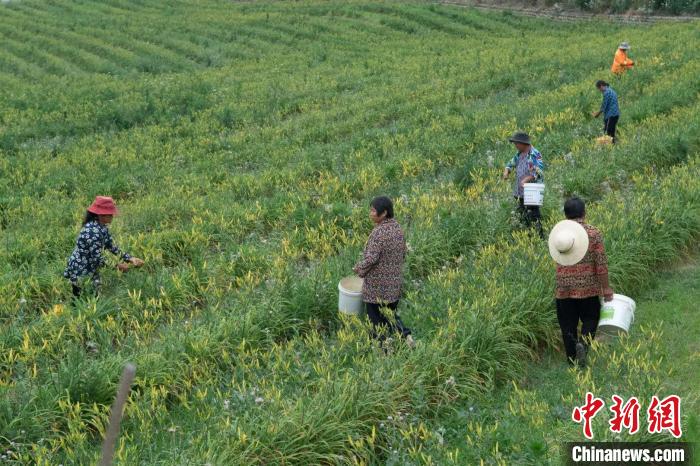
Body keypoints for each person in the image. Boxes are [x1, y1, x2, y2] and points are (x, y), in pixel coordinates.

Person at [548, 197, 614, 367]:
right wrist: (606, 288)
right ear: (584, 212)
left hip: (564, 289)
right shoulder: (593, 233)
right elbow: (601, 264)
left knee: (567, 324)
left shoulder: (558, 234)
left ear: (565, 214)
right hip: (589, 289)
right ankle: (583, 345)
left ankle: (572, 361)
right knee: (591, 318)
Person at [353, 196, 414, 349]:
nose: (370, 213)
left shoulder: (379, 233)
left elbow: (372, 258)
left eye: (374, 211)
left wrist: (359, 269)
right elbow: (403, 253)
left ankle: (383, 350)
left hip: (377, 288)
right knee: (390, 316)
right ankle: (406, 336)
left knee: (375, 321)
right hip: (393, 285)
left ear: (384, 213)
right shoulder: (397, 229)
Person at [64, 196, 144, 298]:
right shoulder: (93, 232)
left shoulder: (102, 227)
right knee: (81, 298)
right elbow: (97, 259)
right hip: (81, 268)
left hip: (90, 267)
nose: (112, 216)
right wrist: (118, 266)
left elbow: (111, 246)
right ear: (101, 214)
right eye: (110, 214)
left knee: (92, 298)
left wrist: (130, 258)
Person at [502, 132, 544, 238]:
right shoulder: (519, 154)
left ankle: (539, 237)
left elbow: (539, 172)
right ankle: (527, 236)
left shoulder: (534, 154)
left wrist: (526, 179)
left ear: (523, 143)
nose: (515, 145)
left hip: (532, 191)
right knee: (523, 214)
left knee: (534, 215)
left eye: (516, 143)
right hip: (520, 192)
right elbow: (510, 164)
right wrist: (506, 171)